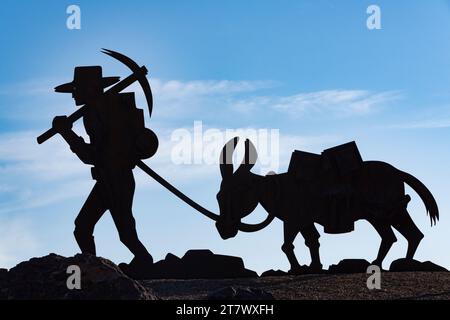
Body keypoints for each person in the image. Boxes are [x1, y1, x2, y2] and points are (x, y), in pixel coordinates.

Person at [52, 66, 154, 276]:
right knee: (84, 226)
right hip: (108, 178)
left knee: (123, 232)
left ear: (90, 89)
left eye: (76, 89)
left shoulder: (109, 113)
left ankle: (142, 262)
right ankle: (95, 267)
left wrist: (67, 134)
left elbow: (94, 156)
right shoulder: (93, 113)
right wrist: (68, 132)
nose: (73, 95)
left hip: (117, 179)